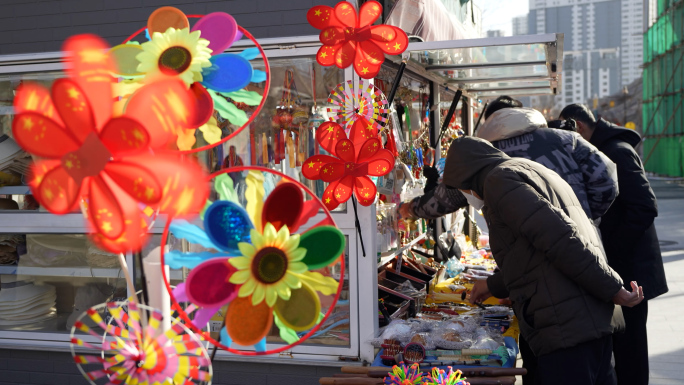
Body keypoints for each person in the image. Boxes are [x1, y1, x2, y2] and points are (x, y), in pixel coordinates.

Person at [446, 136, 643, 385]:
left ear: (468, 177)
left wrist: (613, 288)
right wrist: (495, 285)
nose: (466, 197)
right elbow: (533, 254)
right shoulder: (529, 169)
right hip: (588, 317)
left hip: (566, 325)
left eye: (462, 190)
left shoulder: (499, 181)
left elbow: (561, 240)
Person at [559, 104, 668, 385]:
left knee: (630, 349)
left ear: (579, 127)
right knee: (622, 347)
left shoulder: (617, 150)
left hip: (631, 269)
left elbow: (645, 206)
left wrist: (612, 248)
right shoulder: (605, 149)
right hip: (621, 266)